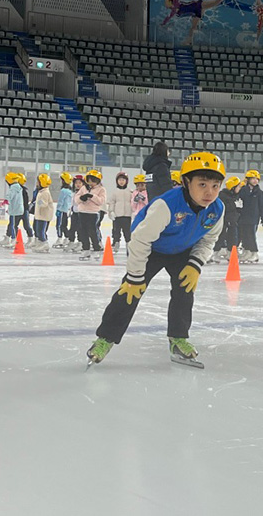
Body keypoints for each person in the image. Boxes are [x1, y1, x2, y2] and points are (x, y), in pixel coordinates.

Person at [85, 152, 226, 369]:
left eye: (215, 186)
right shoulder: (166, 205)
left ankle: (178, 339)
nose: (210, 192)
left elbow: (209, 239)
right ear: (187, 182)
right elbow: (140, 241)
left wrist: (195, 263)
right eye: (203, 184)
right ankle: (105, 338)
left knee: (184, 290)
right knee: (130, 291)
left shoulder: (217, 209)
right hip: (151, 248)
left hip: (181, 250)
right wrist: (134, 277)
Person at [74, 170, 107, 261]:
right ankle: (86, 249)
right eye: (90, 180)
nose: (91, 183)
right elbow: (76, 200)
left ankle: (96, 249)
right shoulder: (84, 188)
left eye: (93, 181)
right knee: (83, 231)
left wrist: (92, 196)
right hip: (82, 212)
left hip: (93, 213)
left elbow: (101, 201)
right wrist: (81, 198)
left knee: (92, 231)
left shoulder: (101, 189)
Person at [238, 170, 263, 264]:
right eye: (253, 178)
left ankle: (254, 253)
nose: (255, 181)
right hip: (243, 216)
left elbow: (262, 205)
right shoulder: (243, 190)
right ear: (248, 179)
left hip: (253, 217)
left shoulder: (259, 192)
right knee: (244, 235)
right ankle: (247, 251)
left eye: (256, 179)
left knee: (251, 235)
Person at [214, 176, 242, 262]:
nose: (239, 189)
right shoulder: (223, 196)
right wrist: (235, 205)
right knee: (221, 236)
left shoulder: (236, 196)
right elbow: (225, 207)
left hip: (233, 220)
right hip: (224, 220)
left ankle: (231, 253)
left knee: (233, 237)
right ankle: (215, 253)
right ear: (233, 188)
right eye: (238, 187)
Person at [108, 172, 133, 253]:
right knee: (116, 231)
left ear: (126, 181)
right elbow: (112, 202)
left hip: (127, 215)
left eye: (123, 180)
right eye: (119, 180)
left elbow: (133, 203)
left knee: (127, 232)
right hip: (117, 215)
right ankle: (116, 243)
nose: (121, 181)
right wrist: (111, 211)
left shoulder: (130, 191)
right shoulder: (115, 192)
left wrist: (133, 212)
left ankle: (128, 246)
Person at [0, 172, 24, 249]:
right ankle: (10, 239)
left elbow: (10, 195)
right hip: (17, 209)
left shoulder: (13, 187)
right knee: (13, 225)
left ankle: (14, 240)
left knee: (13, 226)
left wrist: (6, 200)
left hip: (15, 210)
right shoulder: (18, 187)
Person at [32, 174, 55, 253]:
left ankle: (44, 243)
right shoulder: (41, 191)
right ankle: (40, 243)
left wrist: (37, 202)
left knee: (40, 230)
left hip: (43, 215)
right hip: (40, 215)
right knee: (38, 230)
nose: (37, 183)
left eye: (38, 182)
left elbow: (44, 204)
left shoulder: (45, 193)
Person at [53, 172, 73, 249]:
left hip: (62, 210)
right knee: (64, 225)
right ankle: (67, 238)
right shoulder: (70, 191)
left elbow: (61, 201)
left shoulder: (63, 191)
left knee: (59, 225)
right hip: (66, 211)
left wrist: (58, 209)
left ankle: (60, 238)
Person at [17, 174, 35, 246]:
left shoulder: (22, 190)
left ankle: (30, 238)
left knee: (26, 225)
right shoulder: (21, 190)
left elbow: (23, 202)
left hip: (23, 211)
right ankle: (30, 238)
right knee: (23, 225)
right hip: (23, 210)